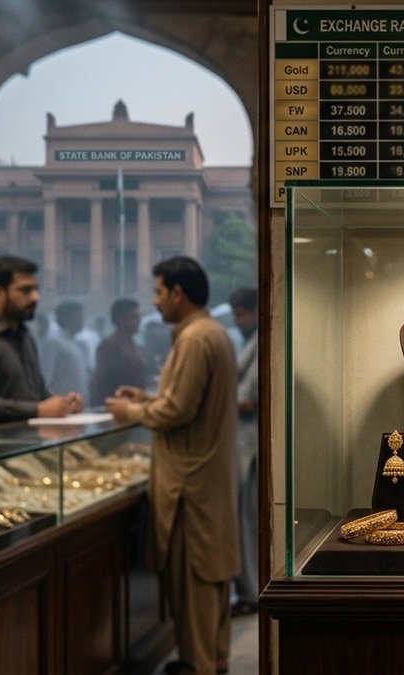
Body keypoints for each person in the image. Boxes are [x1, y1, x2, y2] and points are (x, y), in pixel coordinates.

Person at [106, 257, 239, 675]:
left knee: (195, 582)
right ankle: (211, 659)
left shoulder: (197, 338)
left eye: (159, 292)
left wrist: (130, 413)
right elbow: (186, 400)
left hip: (190, 485)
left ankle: (199, 664)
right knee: (209, 581)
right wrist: (146, 399)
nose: (155, 301)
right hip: (205, 480)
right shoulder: (208, 334)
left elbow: (179, 410)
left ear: (178, 294)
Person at [0, 255, 83, 430]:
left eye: (35, 289)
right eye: (25, 291)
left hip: (25, 448)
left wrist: (62, 405)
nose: (35, 297)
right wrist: (37, 409)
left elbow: (37, 393)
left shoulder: (25, 336)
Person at [228, 287, 259, 617]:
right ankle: (247, 589)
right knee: (244, 519)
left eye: (241, 314)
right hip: (242, 444)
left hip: (253, 446)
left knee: (250, 520)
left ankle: (251, 591)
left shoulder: (262, 346)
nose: (238, 321)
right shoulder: (249, 345)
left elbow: (252, 399)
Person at [90, 298, 147, 406]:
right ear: (121, 319)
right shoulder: (108, 346)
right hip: (115, 405)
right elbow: (101, 381)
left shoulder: (135, 345)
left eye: (138, 317)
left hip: (134, 405)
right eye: (133, 317)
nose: (138, 321)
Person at [41, 300, 90, 397]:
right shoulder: (53, 342)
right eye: (79, 317)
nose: (82, 321)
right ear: (67, 318)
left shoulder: (78, 344)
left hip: (80, 401)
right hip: (62, 402)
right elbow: (46, 376)